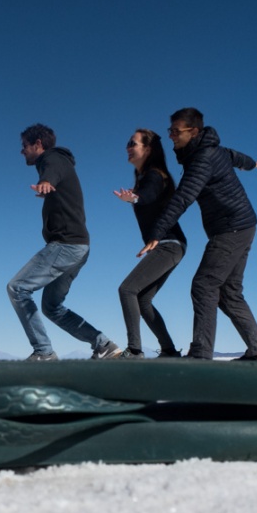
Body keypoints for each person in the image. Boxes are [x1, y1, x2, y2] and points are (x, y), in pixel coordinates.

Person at [138, 107, 257, 361]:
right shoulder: (212, 151)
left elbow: (184, 197)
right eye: (170, 131)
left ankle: (200, 353)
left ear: (194, 131)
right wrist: (251, 163)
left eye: (177, 132)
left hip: (230, 228)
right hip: (243, 226)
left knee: (204, 285)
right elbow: (234, 156)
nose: (172, 136)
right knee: (229, 292)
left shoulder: (202, 159)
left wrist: (157, 231)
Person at [7, 123, 123, 361]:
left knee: (17, 288)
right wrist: (48, 184)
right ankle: (103, 344)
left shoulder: (53, 158)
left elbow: (53, 170)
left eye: (24, 146)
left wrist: (47, 181)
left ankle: (43, 351)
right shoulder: (58, 162)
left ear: (38, 144)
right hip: (79, 247)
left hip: (66, 245)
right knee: (52, 307)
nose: (22, 152)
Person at [113, 129, 187, 358]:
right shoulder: (146, 177)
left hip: (169, 244)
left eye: (132, 143)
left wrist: (134, 198)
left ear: (148, 149)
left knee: (127, 290)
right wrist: (135, 196)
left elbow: (149, 194)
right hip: (171, 245)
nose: (128, 147)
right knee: (143, 300)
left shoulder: (155, 175)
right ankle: (169, 351)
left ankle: (134, 350)